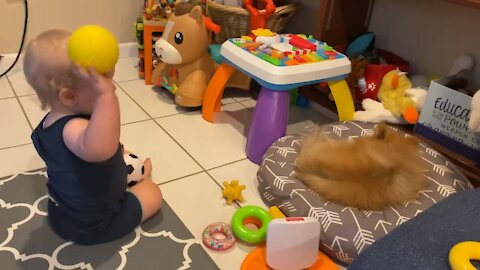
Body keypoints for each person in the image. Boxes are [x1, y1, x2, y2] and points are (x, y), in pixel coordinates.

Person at [24, 29, 163, 245]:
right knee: (153, 193)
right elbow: (102, 150)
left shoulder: (50, 122)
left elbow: (82, 154)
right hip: (93, 224)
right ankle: (140, 181)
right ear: (69, 96)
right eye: (103, 82)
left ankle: (129, 173)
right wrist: (107, 98)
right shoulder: (73, 129)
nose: (112, 86)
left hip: (61, 211)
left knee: (118, 152)